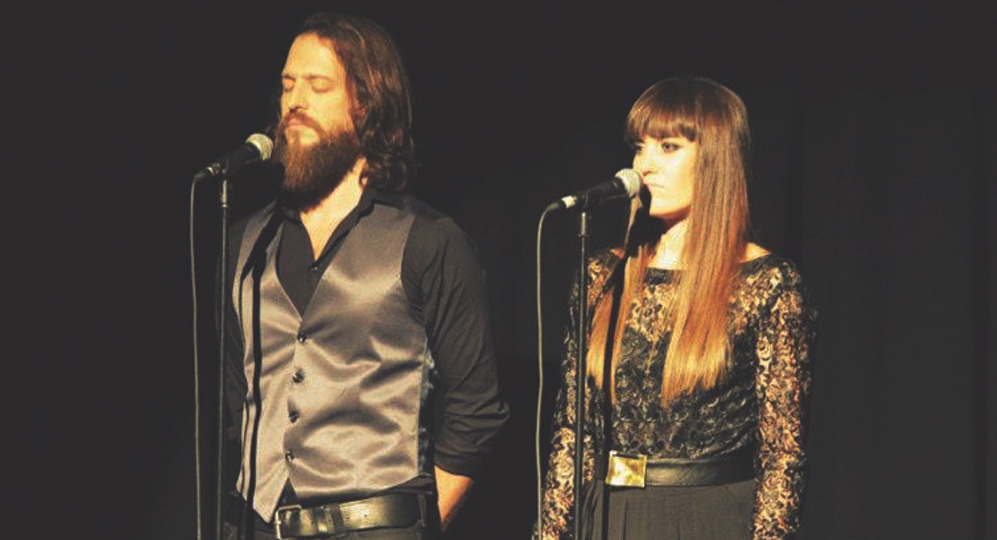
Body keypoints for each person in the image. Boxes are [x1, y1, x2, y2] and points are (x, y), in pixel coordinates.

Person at [220, 12, 509, 540]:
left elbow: (477, 414)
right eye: (287, 85)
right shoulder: (244, 242)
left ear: (367, 106)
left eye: (318, 86)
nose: (295, 102)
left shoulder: (429, 241)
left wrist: (415, 529)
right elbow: (236, 403)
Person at [535, 77, 817, 540]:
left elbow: (782, 456)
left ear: (714, 159)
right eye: (639, 147)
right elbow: (572, 433)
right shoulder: (603, 275)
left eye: (668, 147)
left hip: (707, 517)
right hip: (609, 514)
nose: (645, 165)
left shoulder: (767, 285)